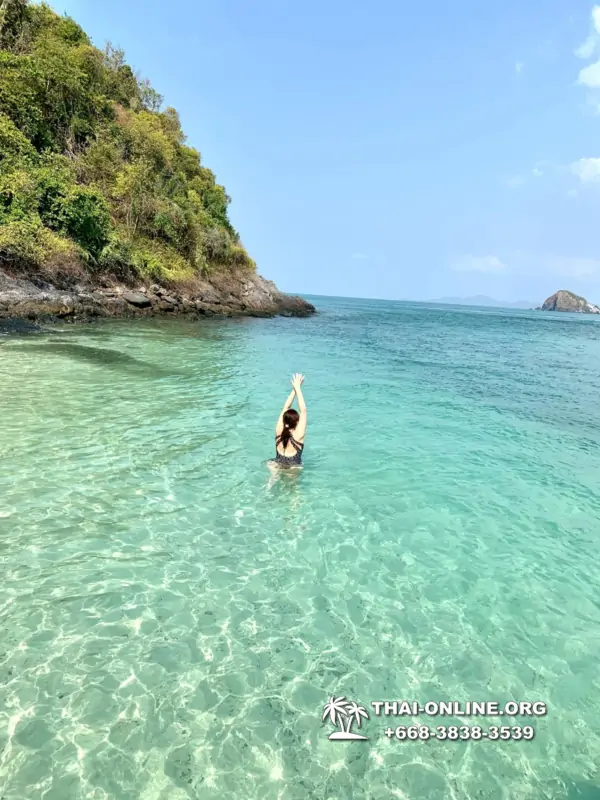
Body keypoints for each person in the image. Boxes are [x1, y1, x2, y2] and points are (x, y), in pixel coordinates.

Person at [273, 373, 307, 467]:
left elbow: (286, 407)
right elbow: (303, 410)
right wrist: (298, 388)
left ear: (284, 420)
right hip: (293, 469)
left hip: (276, 464)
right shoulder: (298, 436)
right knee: (291, 480)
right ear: (297, 422)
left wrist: (294, 389)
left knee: (270, 481)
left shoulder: (278, 431)